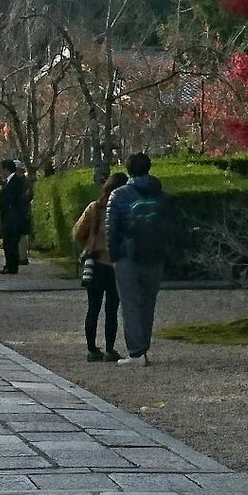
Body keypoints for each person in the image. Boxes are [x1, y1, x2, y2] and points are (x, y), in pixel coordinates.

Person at [106, 152, 168, 367]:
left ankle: (136, 352)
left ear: (129, 169)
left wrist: (113, 255)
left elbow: (111, 229)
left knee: (130, 303)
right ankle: (144, 347)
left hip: (128, 255)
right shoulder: (160, 194)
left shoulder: (119, 195)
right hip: (154, 255)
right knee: (148, 303)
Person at [73, 172, 127, 363]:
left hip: (95, 261)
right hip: (115, 263)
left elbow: (78, 232)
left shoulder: (94, 208)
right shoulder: (125, 209)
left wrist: (89, 245)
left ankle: (91, 349)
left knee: (93, 308)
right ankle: (110, 349)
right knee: (112, 308)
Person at [0, 159, 29, 275]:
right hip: (9, 216)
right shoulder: (9, 181)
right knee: (8, 242)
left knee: (11, 243)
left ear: (6, 169)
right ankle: (9, 265)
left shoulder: (17, 181)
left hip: (13, 217)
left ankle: (12, 267)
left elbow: (12, 199)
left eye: (2, 169)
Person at [14, 160, 32, 266]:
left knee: (23, 235)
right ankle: (19, 257)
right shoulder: (14, 182)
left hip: (23, 212)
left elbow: (28, 195)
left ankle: (23, 257)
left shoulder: (25, 182)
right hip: (17, 212)